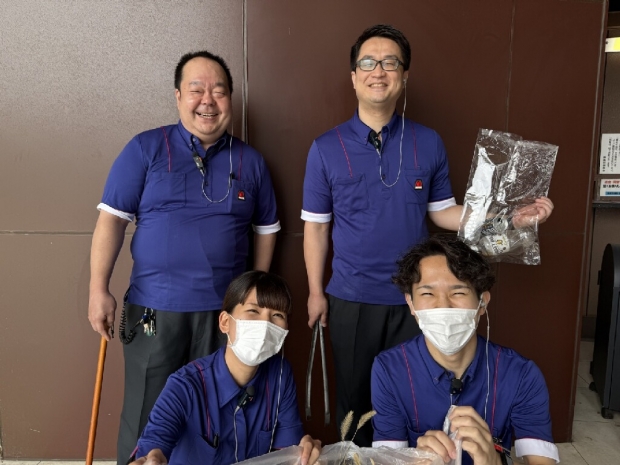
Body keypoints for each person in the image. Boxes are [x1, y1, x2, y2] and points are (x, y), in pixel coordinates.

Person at [301, 24, 553, 446]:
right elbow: (316, 227)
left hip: (420, 299)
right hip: (351, 297)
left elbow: (443, 213)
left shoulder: (427, 142)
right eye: (368, 62)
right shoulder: (326, 147)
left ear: (403, 76)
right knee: (354, 401)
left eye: (390, 63)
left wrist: (510, 218)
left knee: (415, 398)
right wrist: (315, 292)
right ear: (354, 76)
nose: (378, 71)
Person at [88, 50, 280, 463]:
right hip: (154, 312)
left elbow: (266, 230)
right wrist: (98, 289)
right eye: (196, 90)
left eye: (219, 91)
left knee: (212, 418)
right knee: (146, 418)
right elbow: (111, 222)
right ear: (178, 96)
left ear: (230, 99)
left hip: (223, 317)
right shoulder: (145, 149)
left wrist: (255, 301)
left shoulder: (250, 161)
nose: (207, 100)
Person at [370, 235, 559, 465]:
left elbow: (541, 462)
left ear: (482, 302)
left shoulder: (521, 375)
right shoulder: (390, 370)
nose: (443, 305)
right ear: (411, 303)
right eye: (427, 294)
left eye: (458, 292)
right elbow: (385, 460)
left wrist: (495, 462)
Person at [129, 271, 322, 465]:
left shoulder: (280, 374)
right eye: (253, 311)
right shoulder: (185, 385)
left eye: (277, 315)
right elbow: (155, 443)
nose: (265, 324)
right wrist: (151, 458)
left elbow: (289, 449)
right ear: (225, 322)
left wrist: (303, 449)